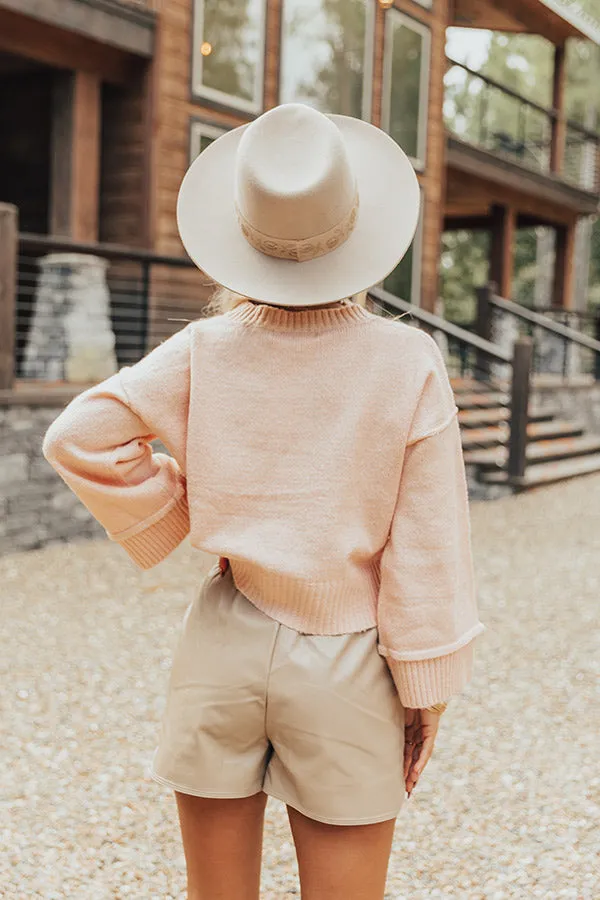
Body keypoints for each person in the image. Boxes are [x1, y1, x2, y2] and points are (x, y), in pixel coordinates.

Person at [43, 103, 484, 900]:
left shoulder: (205, 349)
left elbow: (77, 436)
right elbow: (427, 549)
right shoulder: (408, 361)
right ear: (359, 231)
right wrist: (426, 692)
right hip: (349, 662)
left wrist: (183, 506)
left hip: (221, 639)